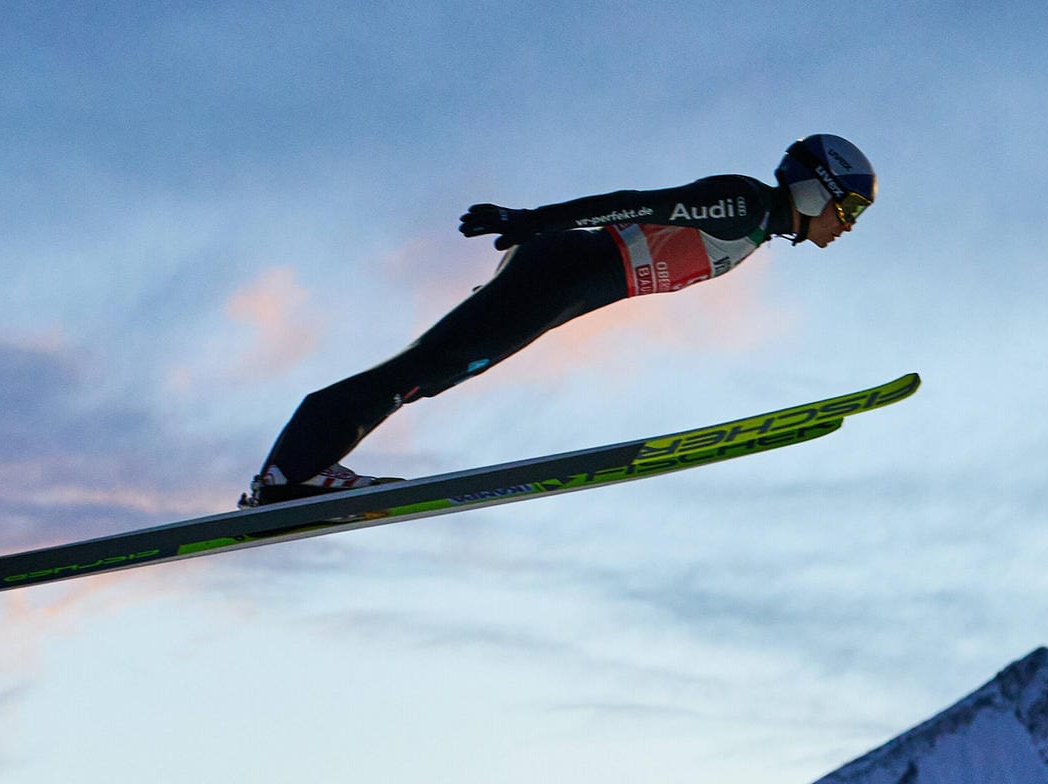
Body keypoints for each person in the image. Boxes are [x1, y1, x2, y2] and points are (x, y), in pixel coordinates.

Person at [239, 134, 878, 507]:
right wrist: (530, 220)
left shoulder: (757, 226)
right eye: (846, 208)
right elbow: (638, 202)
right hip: (558, 270)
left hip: (562, 281)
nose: (846, 226)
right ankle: (291, 474)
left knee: (428, 371)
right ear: (816, 188)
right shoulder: (745, 204)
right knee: (423, 370)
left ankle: (291, 473)